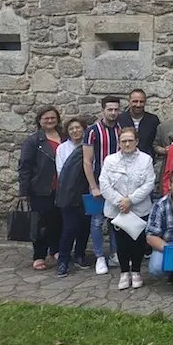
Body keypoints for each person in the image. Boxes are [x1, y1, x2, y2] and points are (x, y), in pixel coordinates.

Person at [100, 127, 155, 290]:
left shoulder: (146, 160)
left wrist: (130, 200)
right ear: (119, 143)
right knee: (121, 242)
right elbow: (104, 184)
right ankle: (124, 272)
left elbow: (149, 183)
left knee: (137, 242)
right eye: (123, 141)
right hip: (117, 209)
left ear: (136, 141)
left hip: (138, 208)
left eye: (130, 140)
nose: (127, 143)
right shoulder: (109, 160)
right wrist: (120, 202)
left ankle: (136, 271)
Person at [18, 106, 64, 271]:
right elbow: (25, 166)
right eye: (46, 118)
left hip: (63, 189)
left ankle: (56, 250)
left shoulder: (65, 138)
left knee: (59, 221)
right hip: (41, 189)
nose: (50, 121)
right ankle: (39, 255)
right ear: (40, 121)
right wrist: (23, 192)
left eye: (53, 118)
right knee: (41, 224)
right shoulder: (33, 141)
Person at [83, 96, 122, 273]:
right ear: (103, 110)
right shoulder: (93, 131)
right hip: (99, 184)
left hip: (118, 184)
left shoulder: (121, 130)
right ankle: (100, 257)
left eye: (116, 109)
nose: (113, 113)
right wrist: (93, 186)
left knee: (116, 221)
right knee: (97, 221)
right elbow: (87, 161)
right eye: (110, 109)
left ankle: (115, 254)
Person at [54, 117, 93, 276]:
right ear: (67, 132)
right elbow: (61, 171)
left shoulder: (89, 146)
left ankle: (80, 255)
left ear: (84, 129)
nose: (75, 131)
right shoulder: (62, 148)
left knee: (85, 225)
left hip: (86, 189)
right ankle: (63, 259)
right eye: (71, 129)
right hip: (68, 192)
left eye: (78, 128)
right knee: (70, 227)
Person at [117, 89, 161, 158]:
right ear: (129, 102)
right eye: (135, 101)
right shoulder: (120, 119)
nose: (138, 105)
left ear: (145, 102)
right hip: (123, 159)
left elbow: (156, 142)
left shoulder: (153, 120)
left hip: (146, 161)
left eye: (141, 102)